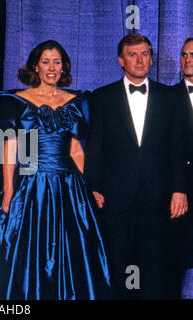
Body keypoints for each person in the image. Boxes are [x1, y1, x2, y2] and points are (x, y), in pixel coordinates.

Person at [0, 40, 110, 300]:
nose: (51, 68)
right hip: (31, 184)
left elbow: (76, 151)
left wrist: (88, 188)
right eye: (46, 62)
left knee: (74, 249)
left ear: (64, 67)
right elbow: (10, 146)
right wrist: (9, 189)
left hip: (69, 186)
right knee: (29, 251)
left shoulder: (79, 100)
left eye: (57, 62)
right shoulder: (13, 99)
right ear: (35, 65)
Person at [84, 33, 188, 300]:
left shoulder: (169, 97)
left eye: (145, 54)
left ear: (151, 59)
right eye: (133, 54)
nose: (140, 60)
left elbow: (178, 147)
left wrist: (180, 188)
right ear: (121, 60)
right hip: (116, 199)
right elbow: (95, 147)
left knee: (158, 272)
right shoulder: (101, 97)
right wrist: (93, 186)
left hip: (160, 198)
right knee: (119, 270)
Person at [172, 37, 192, 299]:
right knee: (176, 256)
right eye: (184, 54)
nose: (188, 60)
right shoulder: (166, 96)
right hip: (179, 189)